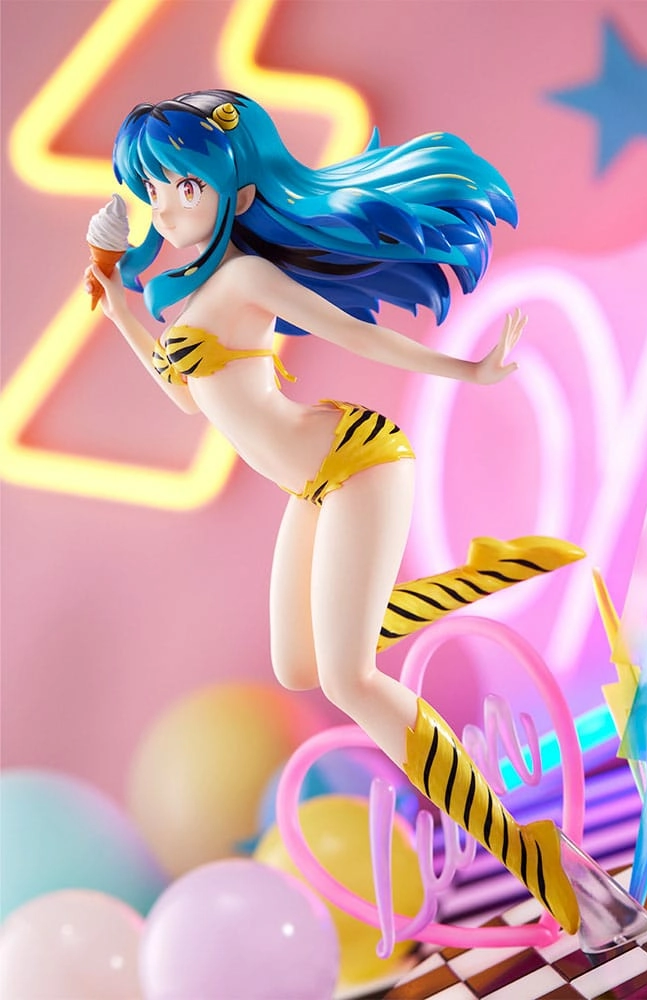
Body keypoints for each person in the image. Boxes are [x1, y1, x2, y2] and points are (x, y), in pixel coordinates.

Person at [85, 90, 580, 933]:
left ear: (238, 192)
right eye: (153, 188)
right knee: (298, 666)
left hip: (357, 464)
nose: (163, 206)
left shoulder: (244, 276)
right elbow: (187, 398)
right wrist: (120, 304)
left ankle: (524, 852)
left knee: (351, 679)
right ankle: (474, 577)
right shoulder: (193, 293)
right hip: (312, 487)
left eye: (184, 186)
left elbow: (352, 336)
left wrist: (467, 371)